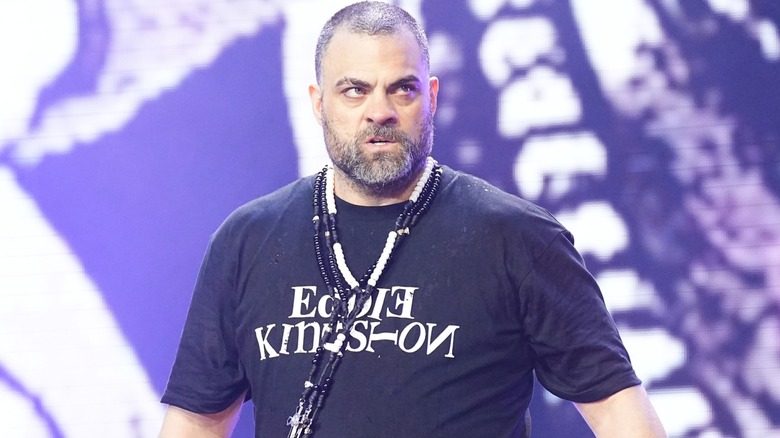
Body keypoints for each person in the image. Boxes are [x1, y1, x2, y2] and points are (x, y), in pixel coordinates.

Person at [158, 2, 667, 437]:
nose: (379, 110)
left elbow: (621, 411)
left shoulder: (516, 237)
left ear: (432, 96)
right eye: (354, 90)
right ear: (318, 103)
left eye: (401, 88)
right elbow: (196, 422)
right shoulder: (248, 240)